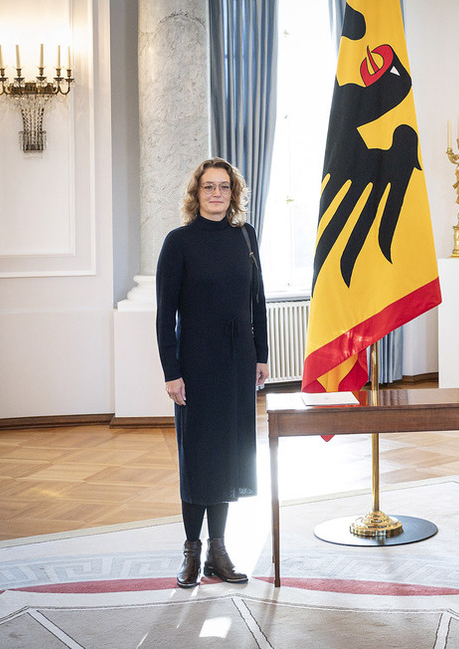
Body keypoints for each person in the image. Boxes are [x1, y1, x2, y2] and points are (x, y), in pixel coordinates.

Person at [156, 158, 269, 588]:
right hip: (196, 365)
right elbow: (165, 315)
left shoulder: (246, 237)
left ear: (233, 193)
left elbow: (257, 300)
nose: (217, 193)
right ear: (196, 193)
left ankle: (218, 552)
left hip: (239, 361)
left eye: (224, 187)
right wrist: (172, 370)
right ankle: (192, 551)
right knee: (199, 457)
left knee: (227, 456)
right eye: (209, 187)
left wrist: (261, 355)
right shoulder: (178, 242)